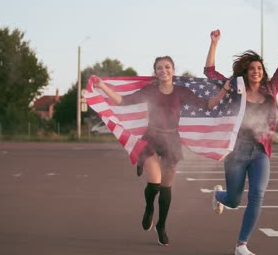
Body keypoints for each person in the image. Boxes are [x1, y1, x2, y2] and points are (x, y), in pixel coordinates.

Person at [94, 56, 231, 246]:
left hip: (171, 141)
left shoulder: (181, 91)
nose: (163, 70)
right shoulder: (150, 91)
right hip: (151, 138)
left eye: (167, 67)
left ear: (173, 70)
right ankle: (149, 207)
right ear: (155, 72)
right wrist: (102, 86)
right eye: (159, 68)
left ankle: (161, 225)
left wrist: (224, 90)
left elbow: (207, 105)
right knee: (155, 183)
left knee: (167, 187)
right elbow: (122, 101)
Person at [204, 14, 278, 255]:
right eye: (252, 68)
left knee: (257, 195)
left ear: (263, 72)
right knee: (234, 201)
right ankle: (220, 195)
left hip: (260, 152)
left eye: (259, 68)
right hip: (236, 152)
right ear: (245, 73)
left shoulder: (270, 89)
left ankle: (241, 245)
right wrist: (214, 44)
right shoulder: (237, 88)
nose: (256, 71)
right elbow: (210, 72)